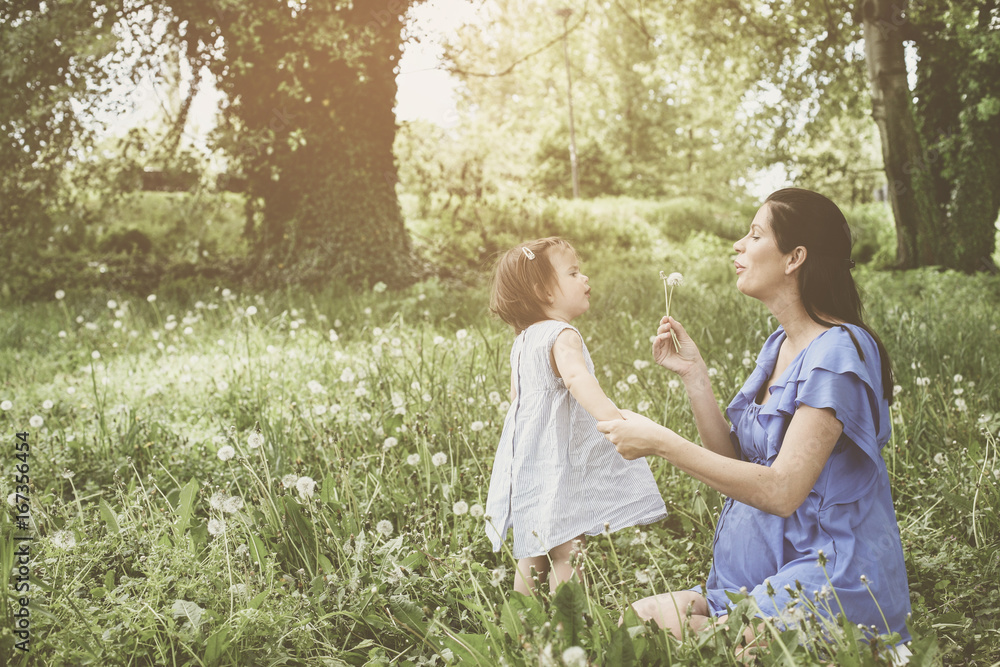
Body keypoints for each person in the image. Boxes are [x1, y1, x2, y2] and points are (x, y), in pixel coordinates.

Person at [597, 189, 912, 650]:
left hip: (827, 574)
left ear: (794, 258)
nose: (738, 245)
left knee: (688, 644)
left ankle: (854, 646)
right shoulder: (780, 344)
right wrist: (694, 375)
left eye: (755, 234)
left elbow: (782, 491)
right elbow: (738, 462)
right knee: (639, 621)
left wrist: (662, 443)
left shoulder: (839, 352)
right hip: (753, 579)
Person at [484, 237, 668, 595]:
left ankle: (522, 620)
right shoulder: (562, 334)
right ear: (543, 291)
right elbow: (576, 378)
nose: (585, 278)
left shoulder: (523, 341)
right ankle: (566, 621)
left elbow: (517, 400)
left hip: (528, 460)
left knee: (533, 547)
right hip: (559, 461)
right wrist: (613, 420)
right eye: (573, 273)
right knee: (569, 549)